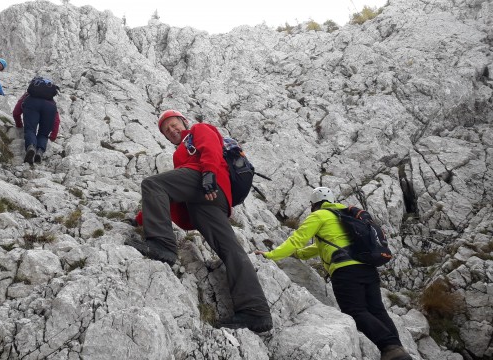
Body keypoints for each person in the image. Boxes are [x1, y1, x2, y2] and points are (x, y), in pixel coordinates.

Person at [126, 109, 273, 333]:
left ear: (184, 122)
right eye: (167, 131)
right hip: (205, 201)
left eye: (174, 125)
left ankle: (162, 245)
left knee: (152, 183)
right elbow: (173, 194)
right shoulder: (179, 154)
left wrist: (208, 174)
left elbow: (211, 149)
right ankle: (256, 311)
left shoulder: (199, 130)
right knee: (230, 250)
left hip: (207, 183)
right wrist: (141, 219)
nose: (172, 130)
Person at [254, 187, 412, 360]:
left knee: (355, 310)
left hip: (345, 271)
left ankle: (390, 348)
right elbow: (320, 246)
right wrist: (298, 254)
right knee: (377, 310)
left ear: (314, 204)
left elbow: (297, 239)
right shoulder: (343, 214)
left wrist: (271, 255)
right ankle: (398, 351)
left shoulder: (318, 215)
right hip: (368, 268)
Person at [12, 77, 61, 165]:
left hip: (32, 104)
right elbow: (56, 120)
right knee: (43, 134)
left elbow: (16, 112)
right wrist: (53, 136)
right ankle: (40, 151)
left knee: (30, 130)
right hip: (49, 108)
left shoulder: (27, 95)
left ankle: (31, 147)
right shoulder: (51, 100)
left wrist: (19, 124)